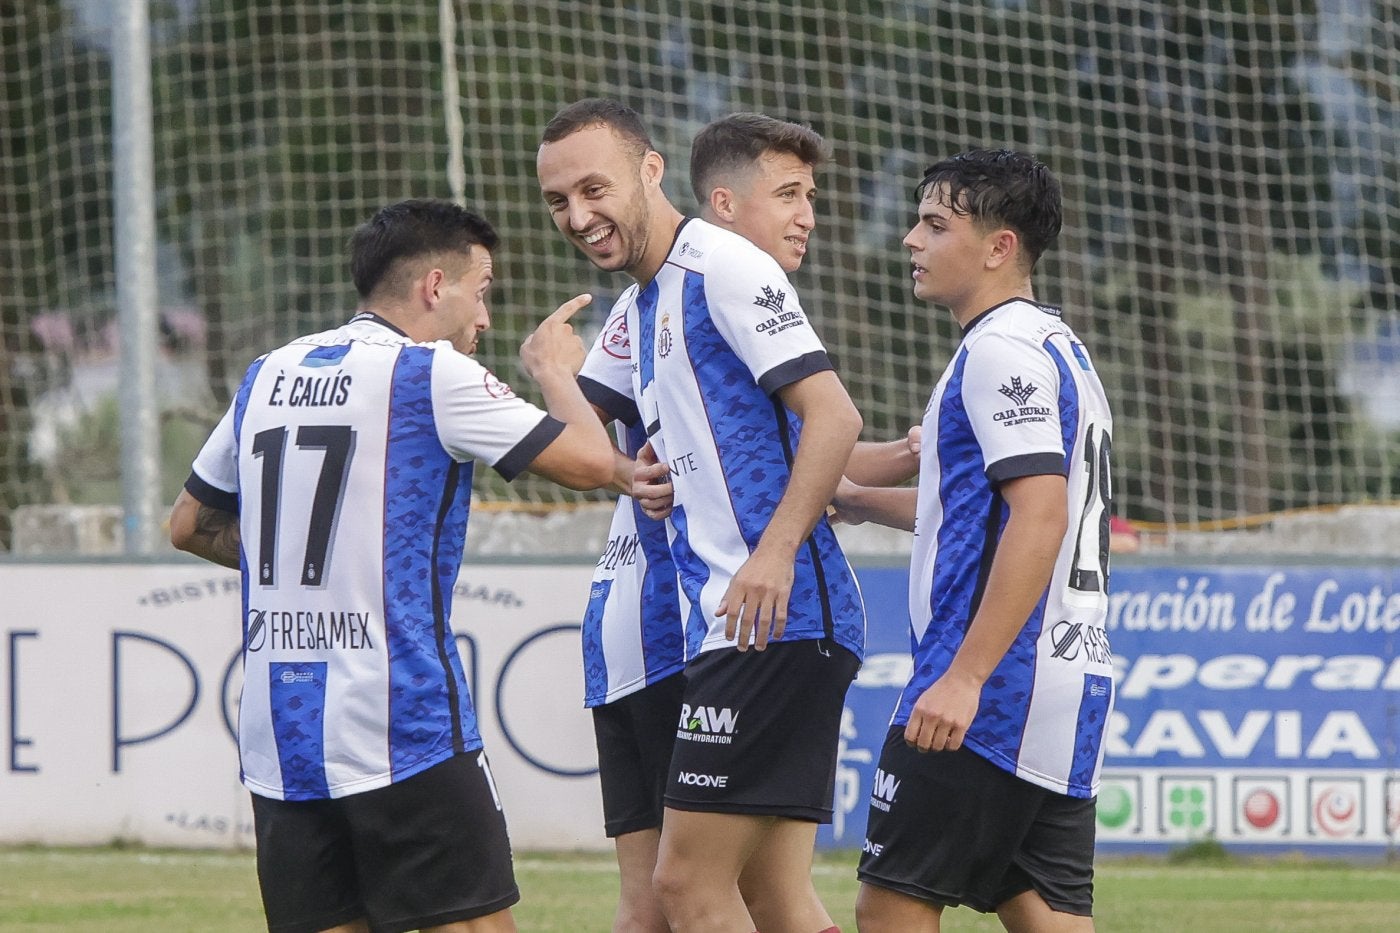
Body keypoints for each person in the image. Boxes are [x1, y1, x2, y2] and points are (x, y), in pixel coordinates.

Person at [168, 198, 617, 933]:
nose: (485, 318)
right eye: (483, 290)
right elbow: (592, 461)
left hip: (280, 734)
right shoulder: (429, 373)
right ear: (435, 287)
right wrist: (554, 369)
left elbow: (188, 523)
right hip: (401, 721)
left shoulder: (266, 373)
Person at [538, 99, 865, 933]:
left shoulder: (719, 265)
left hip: (773, 616)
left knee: (681, 886)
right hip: (725, 622)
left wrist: (775, 553)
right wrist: (547, 370)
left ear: (652, 170)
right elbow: (574, 450)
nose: (578, 217)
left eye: (593, 189)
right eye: (557, 201)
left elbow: (834, 417)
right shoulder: (643, 303)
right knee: (771, 899)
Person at [833, 150, 1113, 933]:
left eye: (934, 224)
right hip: (1068, 679)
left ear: (999, 247)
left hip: (995, 689)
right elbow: (976, 514)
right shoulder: (1059, 346)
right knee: (1043, 910)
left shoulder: (999, 351)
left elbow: (1041, 515)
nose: (910, 240)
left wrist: (964, 676)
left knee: (890, 903)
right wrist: (856, 498)